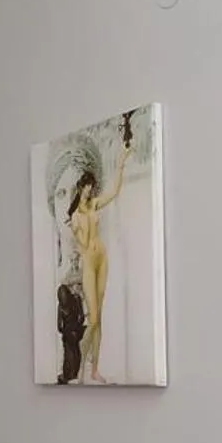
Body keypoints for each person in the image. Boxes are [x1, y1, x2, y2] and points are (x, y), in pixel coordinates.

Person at [65, 113, 135, 383]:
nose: (90, 191)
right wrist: (80, 230)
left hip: (102, 257)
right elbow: (81, 246)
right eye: (87, 187)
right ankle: (80, 368)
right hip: (88, 263)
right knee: (92, 320)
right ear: (81, 188)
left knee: (101, 318)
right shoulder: (75, 217)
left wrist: (121, 162)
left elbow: (116, 191)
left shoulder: (94, 205)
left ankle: (95, 369)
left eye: (92, 187)